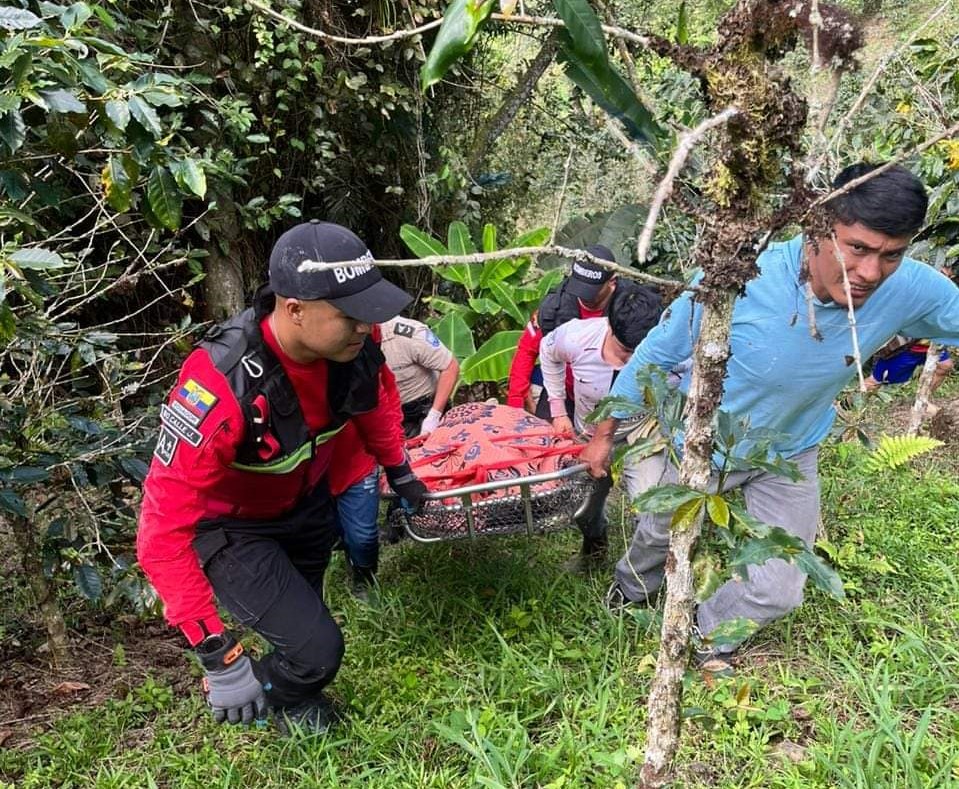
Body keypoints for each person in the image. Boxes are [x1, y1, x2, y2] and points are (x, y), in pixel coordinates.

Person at [580, 163, 959, 664]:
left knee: (779, 587)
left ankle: (702, 637)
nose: (870, 273)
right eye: (858, 248)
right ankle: (628, 592)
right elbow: (656, 354)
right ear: (817, 228)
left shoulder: (911, 287)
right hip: (704, 442)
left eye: (891, 255)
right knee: (659, 532)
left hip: (791, 452)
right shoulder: (741, 278)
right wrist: (605, 433)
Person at [136, 220, 428, 732]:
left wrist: (400, 470)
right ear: (294, 309)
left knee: (303, 621)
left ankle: (294, 698)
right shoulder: (219, 387)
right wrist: (216, 652)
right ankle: (260, 696)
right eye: (350, 315)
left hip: (305, 505)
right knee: (319, 650)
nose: (366, 326)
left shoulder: (353, 344)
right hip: (233, 527)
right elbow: (161, 533)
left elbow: (374, 402)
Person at [539, 287, 662, 567]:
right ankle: (594, 552)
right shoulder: (576, 336)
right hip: (589, 433)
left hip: (640, 433)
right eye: (624, 351)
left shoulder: (674, 352)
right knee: (583, 507)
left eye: (639, 354)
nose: (630, 361)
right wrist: (558, 410)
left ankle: (639, 574)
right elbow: (547, 352)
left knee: (650, 506)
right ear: (609, 324)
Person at [506, 244, 657, 418]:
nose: (584, 296)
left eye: (592, 290)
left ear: (612, 282)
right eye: (580, 286)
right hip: (563, 391)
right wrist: (515, 403)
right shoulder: (554, 308)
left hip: (618, 397)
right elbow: (527, 349)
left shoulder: (633, 305)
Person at [327, 331, 405, 601]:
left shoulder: (365, 350)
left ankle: (364, 579)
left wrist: (396, 444)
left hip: (358, 461)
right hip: (313, 470)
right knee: (331, 531)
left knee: (364, 536)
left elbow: (387, 397)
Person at [380, 315, 460, 437]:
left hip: (423, 409)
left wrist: (434, 416)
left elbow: (450, 367)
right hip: (384, 413)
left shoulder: (409, 334)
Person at [864, 336, 953, 403]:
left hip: (934, 344)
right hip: (908, 346)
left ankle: (922, 400)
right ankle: (855, 401)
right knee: (876, 380)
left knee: (945, 366)